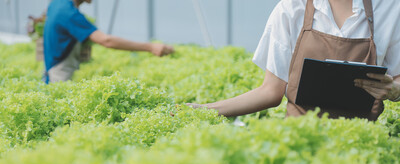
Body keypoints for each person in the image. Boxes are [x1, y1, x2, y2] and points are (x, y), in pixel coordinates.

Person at [189, 0, 400, 121]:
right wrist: (203, 109)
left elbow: (398, 79)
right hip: (301, 140)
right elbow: (270, 92)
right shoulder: (291, 9)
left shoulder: (391, 9)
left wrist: (395, 90)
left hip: (359, 150)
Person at [43, 0, 174, 84]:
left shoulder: (57, 3)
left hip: (51, 63)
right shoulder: (70, 14)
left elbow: (45, 17)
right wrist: (151, 47)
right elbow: (106, 40)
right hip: (59, 69)